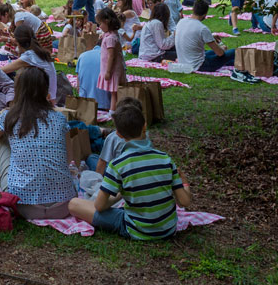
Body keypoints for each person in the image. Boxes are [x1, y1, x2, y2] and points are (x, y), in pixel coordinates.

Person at [68, 98, 191, 240]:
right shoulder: (166, 159)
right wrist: (185, 183)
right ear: (144, 126)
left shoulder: (118, 165)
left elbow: (100, 206)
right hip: (168, 229)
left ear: (118, 134)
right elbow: (184, 201)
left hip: (135, 230)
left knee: (74, 204)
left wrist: (120, 194)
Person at [0, 67, 76, 220]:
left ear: (18, 91)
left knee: (1, 138)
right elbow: (69, 158)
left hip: (22, 205)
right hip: (63, 206)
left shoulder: (9, 117)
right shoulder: (60, 118)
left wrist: (2, 118)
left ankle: (2, 172)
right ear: (45, 90)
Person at [176, 0, 236, 71]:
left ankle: (232, 62)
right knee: (233, 52)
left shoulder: (181, 22)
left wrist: (211, 37)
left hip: (183, 61)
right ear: (205, 14)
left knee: (210, 52)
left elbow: (192, 37)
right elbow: (220, 53)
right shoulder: (202, 28)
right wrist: (223, 48)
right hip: (199, 65)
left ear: (193, 9)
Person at [1, 24, 58, 102]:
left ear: (17, 42)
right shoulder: (39, 51)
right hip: (51, 97)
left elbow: (2, 70)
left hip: (44, 101)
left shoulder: (29, 56)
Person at [75, 14, 108, 106]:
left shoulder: (82, 56)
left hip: (85, 104)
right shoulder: (113, 57)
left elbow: (78, 86)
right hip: (106, 104)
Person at [98, 9, 126, 107]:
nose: (99, 26)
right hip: (114, 69)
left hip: (113, 70)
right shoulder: (111, 34)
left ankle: (112, 111)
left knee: (114, 92)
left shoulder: (111, 38)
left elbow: (111, 56)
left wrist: (108, 71)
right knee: (114, 91)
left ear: (106, 22)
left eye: (100, 24)